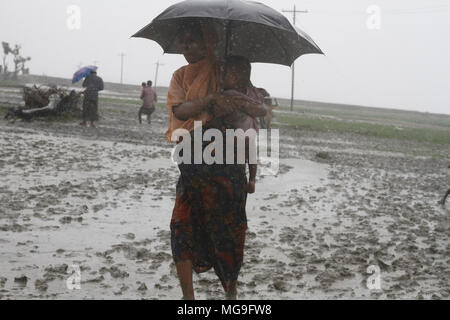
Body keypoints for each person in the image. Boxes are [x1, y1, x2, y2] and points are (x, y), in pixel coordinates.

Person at [166, 22, 266, 300]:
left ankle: (230, 293)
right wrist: (210, 101)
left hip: (229, 164)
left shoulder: (224, 70)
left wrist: (234, 102)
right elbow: (180, 110)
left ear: (207, 43)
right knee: (181, 225)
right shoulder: (180, 76)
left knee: (229, 231)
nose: (188, 48)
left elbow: (254, 104)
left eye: (193, 42)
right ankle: (188, 299)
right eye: (183, 43)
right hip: (193, 159)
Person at [219, 55, 266, 194]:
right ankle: (250, 179)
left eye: (227, 74)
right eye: (224, 73)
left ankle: (251, 179)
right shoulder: (222, 94)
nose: (224, 77)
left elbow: (261, 109)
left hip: (243, 138)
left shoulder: (246, 94)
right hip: (226, 144)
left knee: (251, 152)